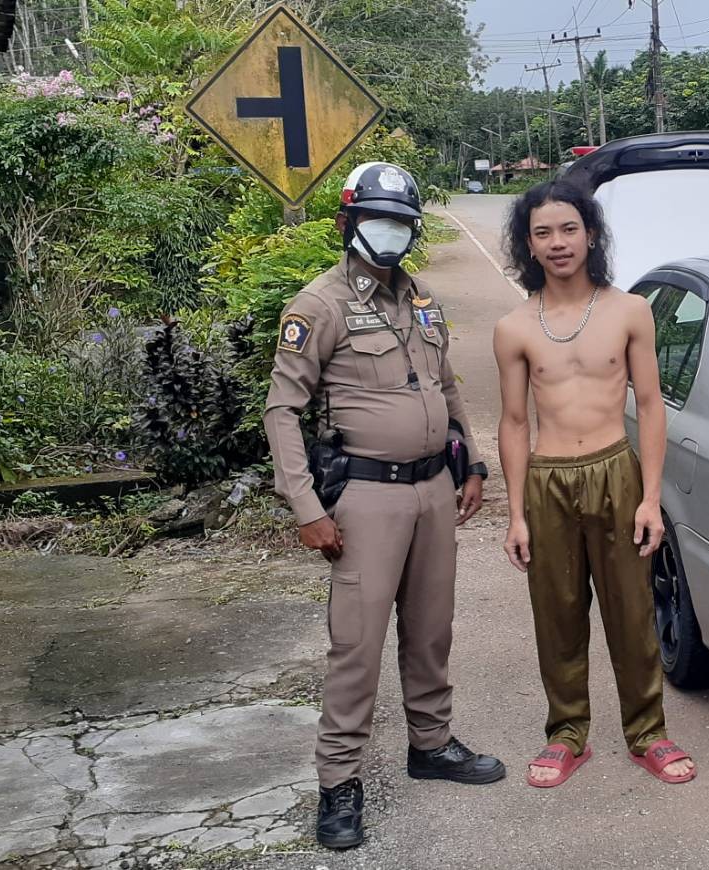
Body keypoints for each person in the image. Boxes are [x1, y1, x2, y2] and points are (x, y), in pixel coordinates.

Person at [264, 162, 505, 850]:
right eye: (377, 220)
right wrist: (306, 506)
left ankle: (431, 743)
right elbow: (282, 410)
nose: (390, 233)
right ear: (347, 223)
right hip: (366, 496)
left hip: (432, 490)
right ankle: (339, 783)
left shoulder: (421, 298)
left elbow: (446, 386)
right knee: (357, 645)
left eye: (401, 223)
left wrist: (471, 462)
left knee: (431, 630)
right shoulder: (319, 304)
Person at [492, 181, 697, 788]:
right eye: (543, 233)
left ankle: (648, 733)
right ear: (528, 245)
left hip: (615, 471)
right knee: (557, 614)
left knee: (632, 612)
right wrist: (516, 514)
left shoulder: (629, 311)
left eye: (568, 229)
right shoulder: (514, 327)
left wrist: (651, 498)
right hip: (548, 479)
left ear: (590, 235)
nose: (558, 243)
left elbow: (652, 404)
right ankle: (566, 734)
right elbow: (513, 421)